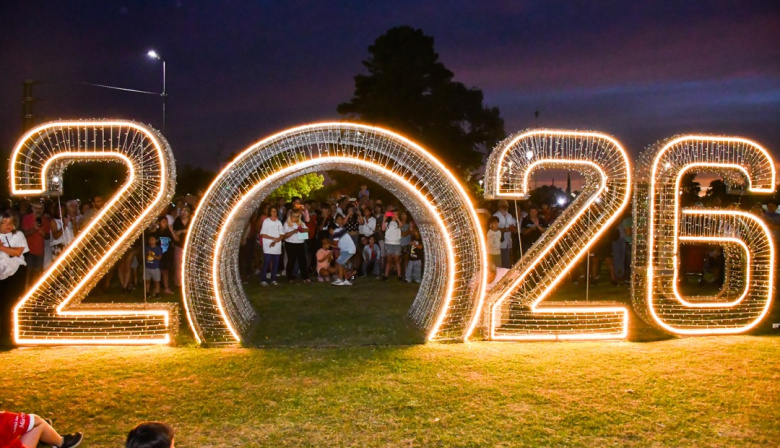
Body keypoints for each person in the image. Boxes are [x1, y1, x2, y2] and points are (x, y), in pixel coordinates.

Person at [0, 212, 29, 341]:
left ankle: (17, 330)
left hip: (17, 271)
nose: (8, 225)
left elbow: (18, 251)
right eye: (5, 223)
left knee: (14, 302)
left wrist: (2, 248)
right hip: (2, 272)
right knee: (3, 303)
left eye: (10, 222)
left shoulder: (18, 235)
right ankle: (4, 331)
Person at [0, 411, 83, 448]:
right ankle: (61, 442)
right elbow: (35, 420)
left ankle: (45, 435)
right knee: (39, 424)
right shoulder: (4, 419)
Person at [21, 202, 50, 288]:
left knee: (37, 272)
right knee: (28, 272)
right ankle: (25, 291)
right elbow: (24, 233)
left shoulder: (45, 220)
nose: (38, 210)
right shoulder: (27, 218)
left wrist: (43, 233)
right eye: (36, 208)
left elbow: (48, 236)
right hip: (29, 251)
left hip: (40, 250)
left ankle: (34, 291)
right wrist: (34, 229)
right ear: (32, 208)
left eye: (40, 208)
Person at [282, 209, 310, 283]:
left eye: (297, 216)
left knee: (303, 260)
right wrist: (294, 231)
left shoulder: (301, 223)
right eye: (294, 216)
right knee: (291, 260)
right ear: (290, 216)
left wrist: (302, 229)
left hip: (300, 243)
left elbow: (307, 230)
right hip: (290, 243)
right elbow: (285, 235)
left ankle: (305, 276)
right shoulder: (287, 224)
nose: (296, 218)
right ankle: (290, 277)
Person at [258, 207, 284, 286]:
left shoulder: (279, 222)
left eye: (275, 211)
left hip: (277, 245)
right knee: (267, 261)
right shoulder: (266, 221)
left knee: (275, 263)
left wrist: (277, 239)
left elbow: (282, 234)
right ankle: (263, 279)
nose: (274, 212)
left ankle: (273, 279)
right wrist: (272, 239)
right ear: (270, 212)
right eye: (272, 211)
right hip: (268, 245)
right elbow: (263, 234)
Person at [171, 205, 191, 288]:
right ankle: (179, 283)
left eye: (185, 211)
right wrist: (182, 231)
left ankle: (188, 283)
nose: (183, 213)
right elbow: (175, 234)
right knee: (178, 265)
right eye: (182, 211)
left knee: (189, 265)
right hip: (179, 246)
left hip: (189, 247)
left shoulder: (191, 221)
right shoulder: (177, 221)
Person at [153, 217, 175, 294]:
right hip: (157, 254)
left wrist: (172, 231)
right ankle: (157, 288)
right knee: (156, 272)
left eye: (166, 221)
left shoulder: (168, 232)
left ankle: (166, 288)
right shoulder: (157, 232)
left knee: (165, 271)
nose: (165, 223)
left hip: (166, 255)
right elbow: (151, 237)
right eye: (163, 221)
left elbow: (176, 239)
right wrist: (155, 228)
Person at [493, 200, 517, 268]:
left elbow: (514, 227)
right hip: (499, 244)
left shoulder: (509, 216)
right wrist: (506, 229)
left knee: (508, 261)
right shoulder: (495, 216)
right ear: (499, 207)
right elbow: (494, 229)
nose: (505, 207)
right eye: (503, 206)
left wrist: (513, 229)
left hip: (508, 243)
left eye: (507, 206)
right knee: (501, 263)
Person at [382, 210, 402, 280]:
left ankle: (399, 275)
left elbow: (401, 225)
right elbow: (383, 229)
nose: (395, 215)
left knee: (397, 260)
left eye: (397, 214)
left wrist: (397, 218)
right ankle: (386, 275)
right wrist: (384, 219)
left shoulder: (398, 223)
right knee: (389, 260)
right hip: (388, 243)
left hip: (397, 243)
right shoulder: (388, 223)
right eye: (394, 214)